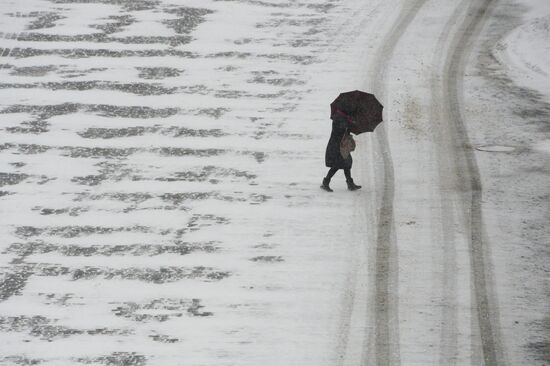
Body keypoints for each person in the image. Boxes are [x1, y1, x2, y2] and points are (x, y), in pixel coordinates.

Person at [321, 112, 362, 192]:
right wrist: (349, 123)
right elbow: (340, 129)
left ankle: (350, 183)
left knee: (346, 163)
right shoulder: (338, 117)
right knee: (337, 164)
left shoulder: (345, 116)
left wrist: (351, 123)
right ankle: (326, 182)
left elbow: (346, 130)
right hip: (336, 145)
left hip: (342, 144)